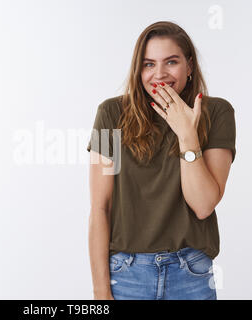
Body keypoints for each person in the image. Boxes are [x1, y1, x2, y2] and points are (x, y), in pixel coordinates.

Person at [86, 21, 236, 300]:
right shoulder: (110, 114)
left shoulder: (217, 113)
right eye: (149, 64)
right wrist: (100, 291)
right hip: (126, 275)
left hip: (191, 274)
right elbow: (100, 208)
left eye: (171, 62)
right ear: (138, 69)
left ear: (189, 66)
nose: (159, 74)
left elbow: (203, 205)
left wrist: (187, 134)